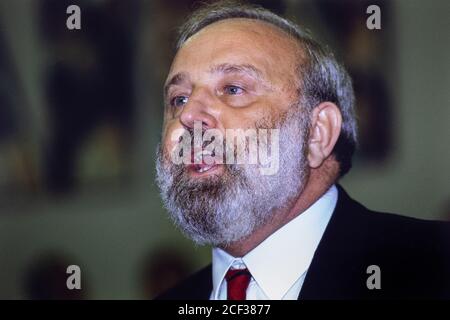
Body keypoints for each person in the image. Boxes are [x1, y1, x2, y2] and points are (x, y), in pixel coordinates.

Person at [154, 1, 450, 300]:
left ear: (317, 134)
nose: (188, 115)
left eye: (233, 89)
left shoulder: (435, 268)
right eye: (178, 99)